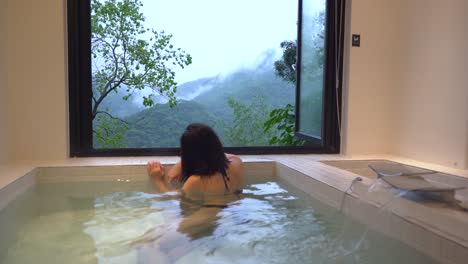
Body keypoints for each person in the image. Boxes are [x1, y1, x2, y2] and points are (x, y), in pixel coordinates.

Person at [147, 123, 244, 198]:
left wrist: (157, 180)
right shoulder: (236, 161)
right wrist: (181, 163)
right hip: (235, 209)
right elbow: (217, 154)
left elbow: (169, 198)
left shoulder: (196, 181)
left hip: (208, 215)